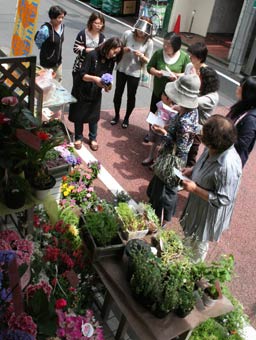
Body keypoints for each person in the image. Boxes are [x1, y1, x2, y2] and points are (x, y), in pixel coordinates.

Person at [180, 115, 242, 262]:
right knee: (189, 236)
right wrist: (193, 170)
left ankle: (191, 272)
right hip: (198, 203)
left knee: (199, 243)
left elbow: (223, 199)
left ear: (215, 144)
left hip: (208, 211)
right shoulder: (214, 147)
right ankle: (183, 257)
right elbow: (203, 162)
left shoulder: (227, 166)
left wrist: (195, 189)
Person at [147, 74, 200, 224]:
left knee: (168, 190)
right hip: (169, 154)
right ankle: (154, 210)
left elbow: (182, 148)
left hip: (174, 159)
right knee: (160, 183)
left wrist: (164, 132)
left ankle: (163, 219)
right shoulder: (190, 110)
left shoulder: (185, 123)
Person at [68, 37, 123, 151]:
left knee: (94, 116)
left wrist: (108, 86)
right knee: (79, 114)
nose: (114, 55)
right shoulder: (92, 55)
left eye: (117, 54)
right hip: (82, 88)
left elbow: (108, 76)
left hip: (96, 90)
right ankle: (78, 137)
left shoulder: (111, 60)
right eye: (114, 52)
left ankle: (93, 138)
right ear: (108, 47)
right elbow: (82, 74)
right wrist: (96, 79)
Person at [144, 32, 190, 142]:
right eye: (164, 44)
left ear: (175, 46)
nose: (165, 47)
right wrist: (156, 72)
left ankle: (165, 135)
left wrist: (177, 76)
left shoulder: (183, 57)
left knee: (170, 115)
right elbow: (149, 67)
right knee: (154, 112)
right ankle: (151, 132)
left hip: (174, 95)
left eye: (168, 45)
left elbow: (188, 73)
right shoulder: (159, 53)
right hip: (159, 90)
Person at [111, 17, 154, 128]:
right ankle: (116, 115)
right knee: (118, 93)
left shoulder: (149, 42)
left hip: (135, 72)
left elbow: (148, 60)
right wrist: (125, 49)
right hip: (122, 68)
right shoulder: (127, 34)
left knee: (131, 96)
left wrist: (142, 56)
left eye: (143, 31)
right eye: (140, 29)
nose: (141, 32)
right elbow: (118, 49)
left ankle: (126, 118)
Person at [186, 66, 220, 166]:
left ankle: (189, 174)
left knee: (191, 152)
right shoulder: (203, 90)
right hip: (190, 124)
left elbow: (193, 101)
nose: (197, 78)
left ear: (205, 80)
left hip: (198, 129)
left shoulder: (212, 97)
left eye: (199, 76)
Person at [227, 76, 256, 167]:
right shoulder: (240, 107)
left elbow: (242, 145)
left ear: (248, 93)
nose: (238, 87)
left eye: (241, 86)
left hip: (228, 163)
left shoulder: (251, 119)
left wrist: (221, 137)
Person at [35, 5, 67, 82]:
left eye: (62, 17)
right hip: (47, 63)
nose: (61, 20)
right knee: (45, 83)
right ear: (52, 17)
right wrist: (47, 53)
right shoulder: (45, 30)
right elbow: (38, 42)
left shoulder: (62, 27)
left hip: (58, 62)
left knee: (58, 82)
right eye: (59, 17)